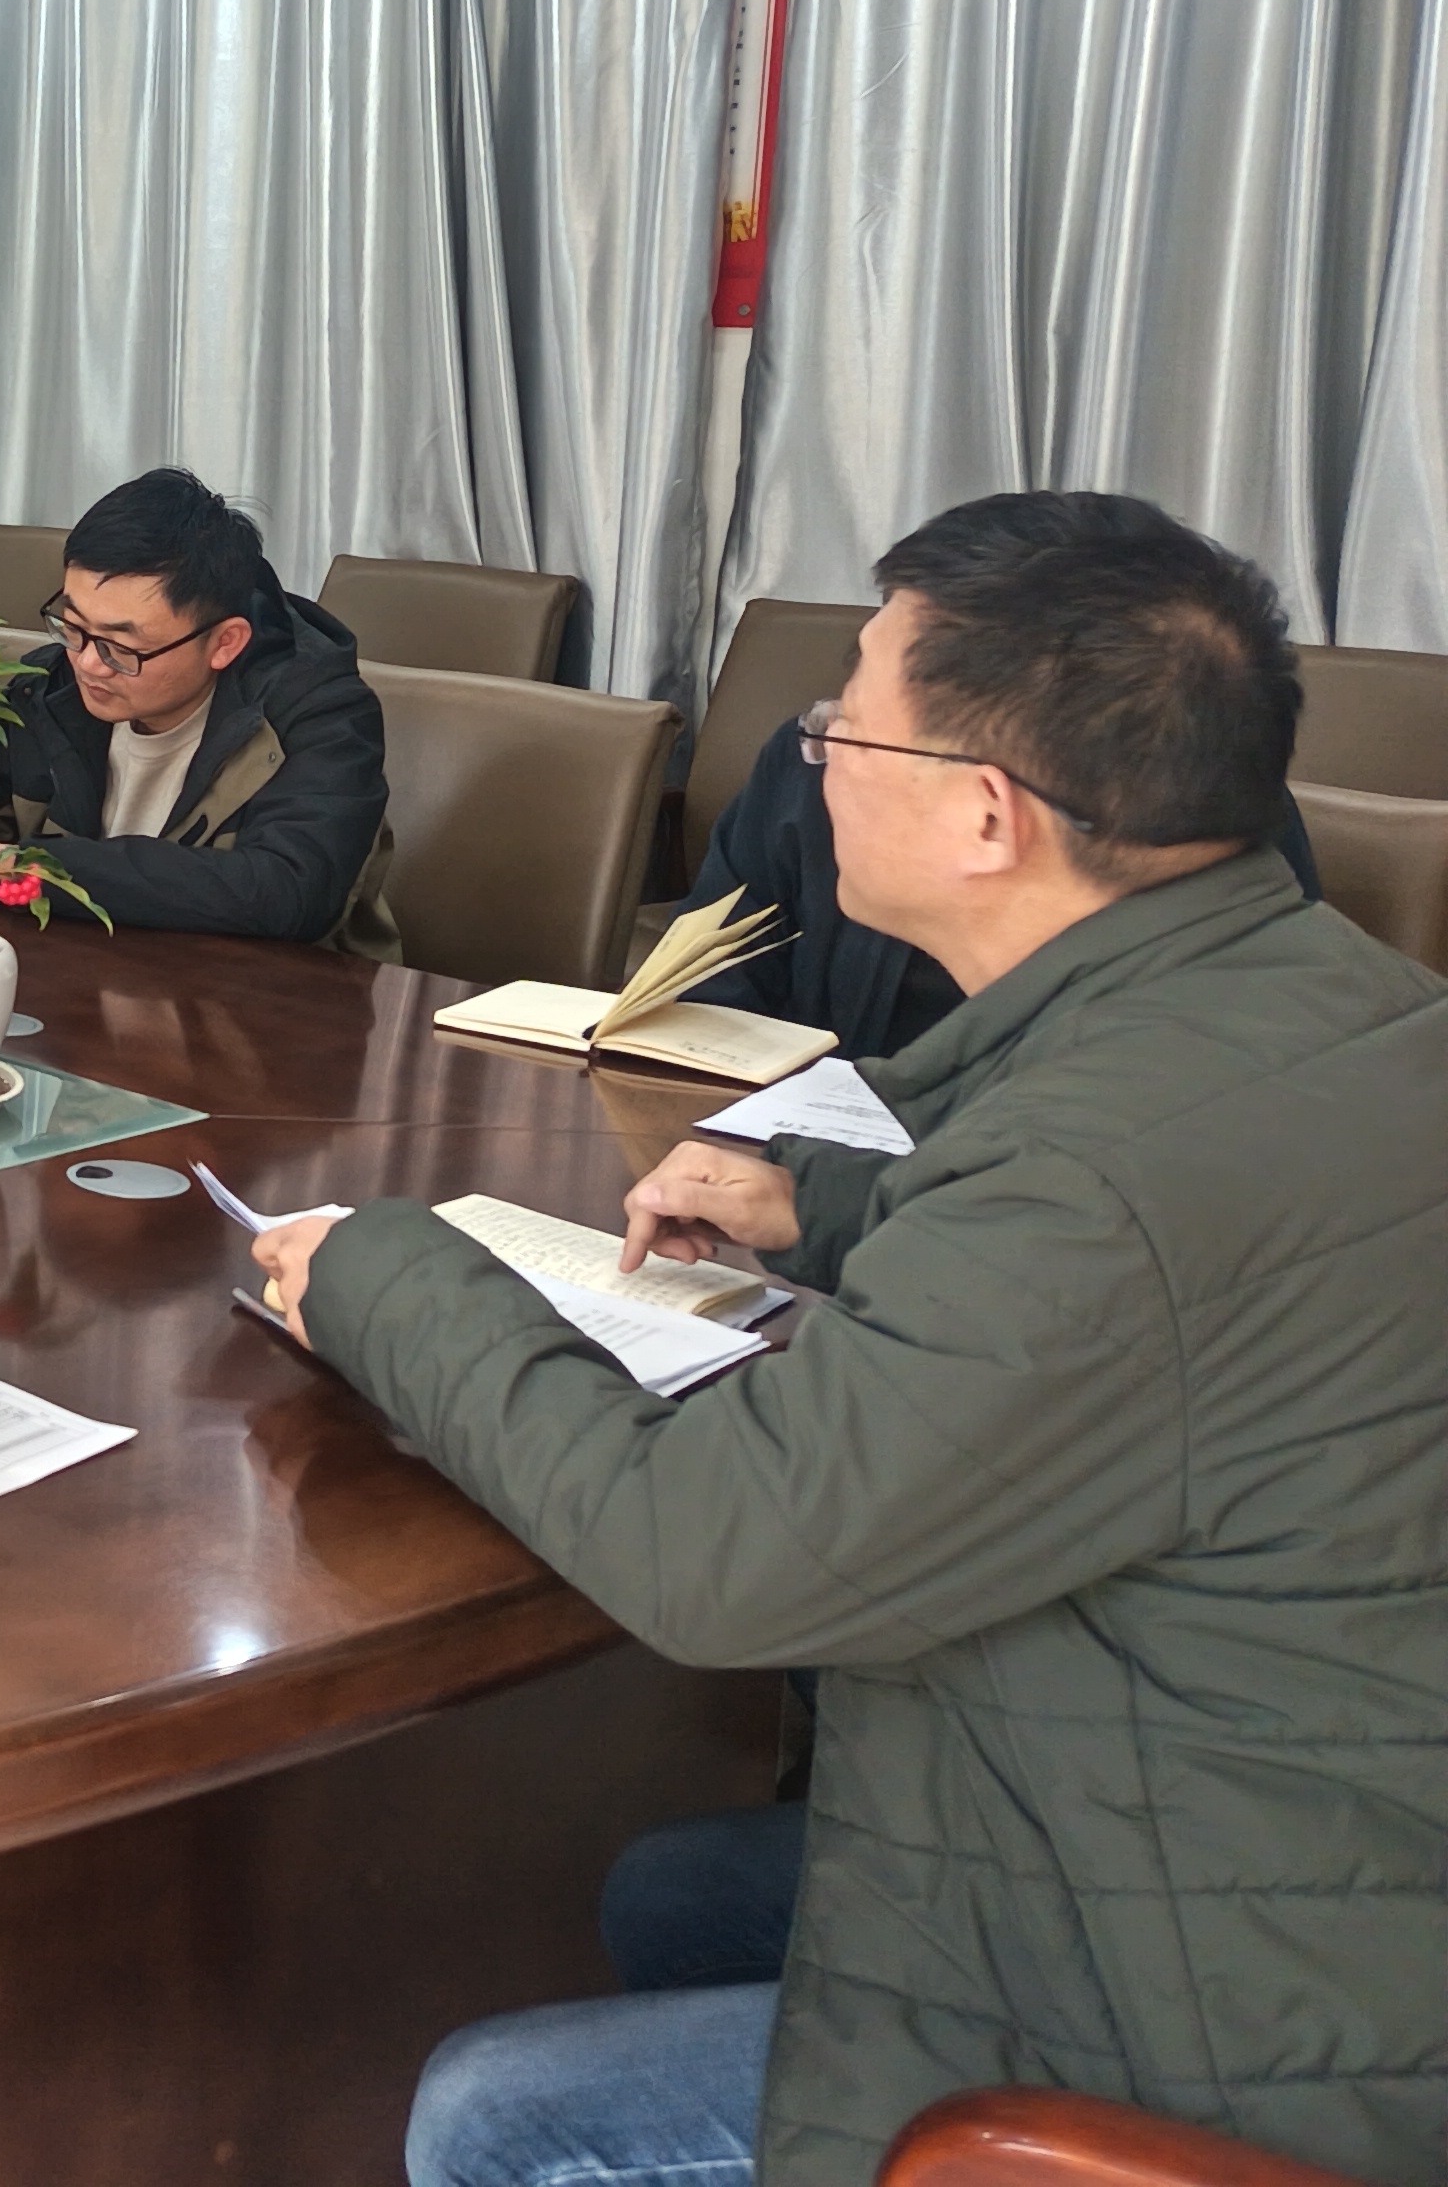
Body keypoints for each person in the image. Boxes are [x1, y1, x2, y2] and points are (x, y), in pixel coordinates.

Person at [243, 491, 1448, 2187]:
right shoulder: (1339, 1006)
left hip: (1237, 2012)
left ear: (985, 813)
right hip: (1302, 1809)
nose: (810, 762)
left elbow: (712, 1556)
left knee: (494, 2116)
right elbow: (1173, 1279)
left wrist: (388, 1275)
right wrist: (820, 1201)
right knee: (671, 1888)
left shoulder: (1091, 1181)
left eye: (842, 727)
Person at [683, 621, 1318, 1060]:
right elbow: (708, 976)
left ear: (989, 810)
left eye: (854, 722)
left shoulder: (1206, 829)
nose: (826, 747)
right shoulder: (805, 767)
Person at [0, 468, 395, 951]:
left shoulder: (320, 714)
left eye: (122, 646)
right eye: (72, 626)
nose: (88, 663)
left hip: (276, 1009)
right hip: (87, 982)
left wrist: (33, 867)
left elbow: (286, 891)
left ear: (225, 643)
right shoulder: (50, 686)